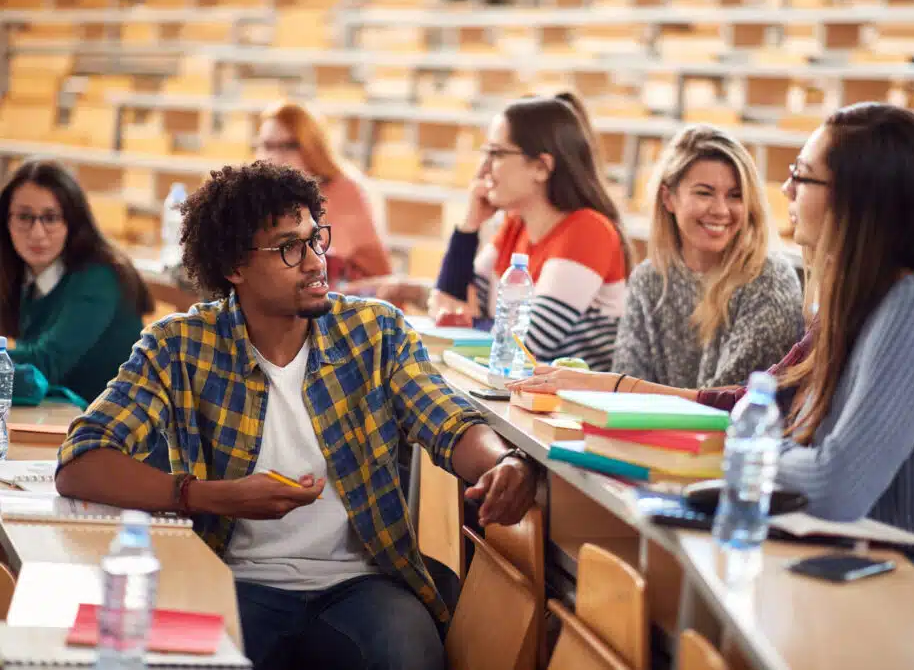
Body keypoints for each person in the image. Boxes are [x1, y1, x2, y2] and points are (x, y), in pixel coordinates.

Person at [513, 103, 914, 636]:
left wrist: (734, 449)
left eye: (802, 175)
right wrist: (623, 394)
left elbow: (836, 485)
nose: (786, 190)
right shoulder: (852, 301)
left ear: (856, 196)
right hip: (843, 574)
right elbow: (758, 407)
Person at [54, 161, 539, 670]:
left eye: (315, 240)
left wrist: (501, 462)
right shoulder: (179, 345)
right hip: (233, 579)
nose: (314, 262)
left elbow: (449, 422)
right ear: (234, 267)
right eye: (289, 248)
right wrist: (213, 496)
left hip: (361, 585)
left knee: (409, 655)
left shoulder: (375, 332)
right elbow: (81, 461)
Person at [424, 93, 632, 371]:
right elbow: (446, 306)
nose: (483, 169)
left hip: (568, 397)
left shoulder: (588, 230)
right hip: (515, 387)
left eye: (496, 154)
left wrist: (471, 322)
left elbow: (525, 346)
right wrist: (469, 226)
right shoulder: (515, 225)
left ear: (541, 167)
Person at [612, 124, 802, 389]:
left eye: (735, 196)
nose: (721, 210)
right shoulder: (649, 277)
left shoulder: (770, 279)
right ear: (668, 198)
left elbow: (728, 402)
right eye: (704, 193)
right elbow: (624, 387)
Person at [0, 159, 154, 402]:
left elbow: (45, 363)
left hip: (112, 420)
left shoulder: (99, 276)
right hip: (60, 410)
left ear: (71, 222)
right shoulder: (18, 272)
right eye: (24, 216)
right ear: (6, 221)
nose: (37, 233)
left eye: (51, 218)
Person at [257, 102, 392, 285]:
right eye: (267, 146)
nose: (275, 157)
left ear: (312, 147)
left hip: (354, 294)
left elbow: (312, 259)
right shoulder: (270, 194)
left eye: (289, 146)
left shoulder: (343, 189)